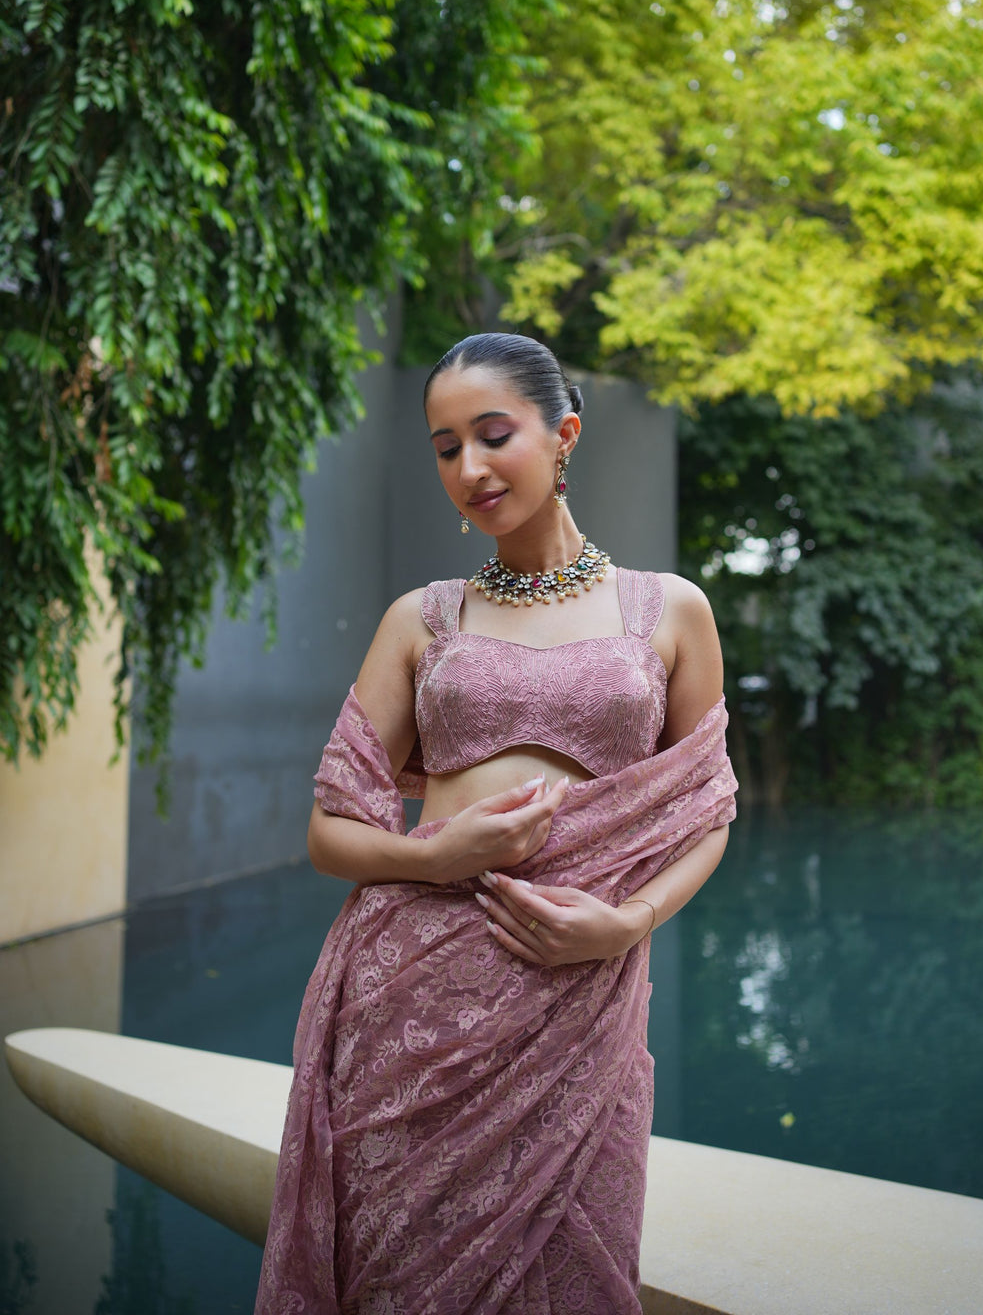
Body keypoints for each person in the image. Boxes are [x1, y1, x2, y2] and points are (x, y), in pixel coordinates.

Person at [255, 333, 737, 1315]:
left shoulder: (668, 611)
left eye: (492, 435)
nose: (468, 469)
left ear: (562, 434)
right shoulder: (423, 619)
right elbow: (330, 834)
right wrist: (439, 856)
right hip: (410, 1007)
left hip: (578, 1001)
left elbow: (705, 815)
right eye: (443, 448)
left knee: (575, 1274)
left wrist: (627, 922)